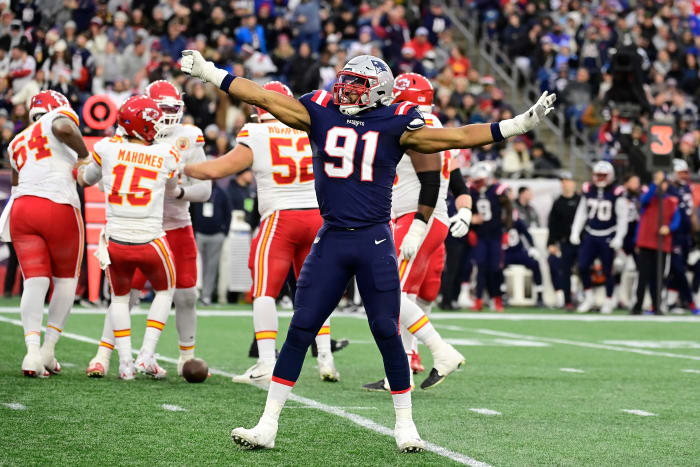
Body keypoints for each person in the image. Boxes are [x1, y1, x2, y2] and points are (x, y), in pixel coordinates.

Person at [180, 50, 555, 452]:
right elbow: (264, 97)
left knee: (386, 330)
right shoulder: (321, 110)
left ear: (378, 91)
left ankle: (406, 425)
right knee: (301, 328)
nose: (345, 88)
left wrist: (518, 124)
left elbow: (458, 137)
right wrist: (209, 72)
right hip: (332, 237)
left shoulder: (398, 122)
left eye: (357, 84)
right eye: (345, 80)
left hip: (374, 240)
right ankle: (267, 425)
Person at [185, 81, 341, 385]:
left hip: (281, 218)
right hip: (318, 217)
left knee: (264, 291)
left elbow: (218, 170)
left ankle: (267, 362)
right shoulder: (313, 127)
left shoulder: (257, 132)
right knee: (317, 292)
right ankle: (326, 359)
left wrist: (183, 167)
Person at [86, 81, 212, 378]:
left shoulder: (189, 136)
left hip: (176, 225)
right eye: (162, 109)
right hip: (137, 227)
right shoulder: (124, 137)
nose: (168, 116)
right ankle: (103, 355)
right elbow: (107, 181)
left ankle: (185, 356)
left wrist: (178, 194)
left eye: (173, 108)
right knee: (124, 294)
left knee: (186, 295)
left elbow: (204, 190)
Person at [362, 73, 471, 391]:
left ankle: (440, 351)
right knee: (403, 293)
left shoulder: (410, 125)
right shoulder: (437, 127)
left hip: (417, 217)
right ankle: (405, 366)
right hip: (432, 219)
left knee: (389, 292)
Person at [77, 95, 180, 380]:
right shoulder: (165, 153)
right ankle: (146, 354)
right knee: (165, 290)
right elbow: (172, 188)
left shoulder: (107, 148)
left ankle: (124, 364)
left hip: (116, 240)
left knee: (119, 299)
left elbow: (86, 178)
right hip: (150, 239)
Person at [4, 90, 88, 377]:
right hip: (57, 204)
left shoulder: (16, 140)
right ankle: (48, 349)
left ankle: (31, 353)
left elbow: (16, 184)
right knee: (65, 281)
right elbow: (64, 127)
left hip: (22, 208)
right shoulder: (58, 117)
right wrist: (84, 155)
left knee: (34, 281)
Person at [570, 161, 628, 314]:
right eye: (598, 175)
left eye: (603, 175)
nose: (600, 178)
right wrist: (575, 231)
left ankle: (608, 300)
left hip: (608, 234)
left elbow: (623, 217)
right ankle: (589, 298)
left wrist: (619, 237)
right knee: (582, 266)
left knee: (608, 270)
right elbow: (582, 212)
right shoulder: (588, 189)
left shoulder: (616, 192)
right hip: (591, 233)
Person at [632, 171, 679, 315]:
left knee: (657, 277)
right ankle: (638, 306)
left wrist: (669, 227)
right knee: (643, 276)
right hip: (646, 242)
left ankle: (656, 305)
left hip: (661, 244)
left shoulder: (672, 201)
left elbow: (677, 220)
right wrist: (655, 183)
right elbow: (644, 200)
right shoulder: (649, 199)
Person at [469, 162, 512, 312]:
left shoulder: (498, 191)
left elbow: (508, 210)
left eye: (479, 181)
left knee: (495, 268)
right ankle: (479, 299)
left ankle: (497, 299)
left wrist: (507, 230)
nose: (477, 184)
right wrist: (470, 225)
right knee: (480, 266)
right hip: (480, 235)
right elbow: (465, 210)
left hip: (495, 235)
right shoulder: (471, 192)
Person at [191, 182, 231, 306]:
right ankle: (193, 293)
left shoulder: (221, 193)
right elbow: (191, 211)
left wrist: (224, 232)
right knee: (193, 264)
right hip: (199, 234)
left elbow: (227, 213)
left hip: (216, 234)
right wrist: (193, 231)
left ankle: (206, 295)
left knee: (211, 267)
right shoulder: (197, 191)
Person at [667, 160, 698, 314]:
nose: (685, 176)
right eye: (681, 173)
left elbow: (690, 210)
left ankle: (671, 303)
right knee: (678, 269)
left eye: (686, 173)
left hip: (686, 234)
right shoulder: (669, 189)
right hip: (673, 234)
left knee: (679, 269)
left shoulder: (687, 188)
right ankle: (690, 301)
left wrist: (694, 225)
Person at [547, 172, 580, 309]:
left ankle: (583, 296)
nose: (565, 184)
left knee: (583, 268)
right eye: (563, 181)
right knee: (565, 271)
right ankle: (567, 301)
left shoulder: (580, 200)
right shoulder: (558, 202)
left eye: (567, 181)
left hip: (581, 241)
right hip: (565, 241)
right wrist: (551, 243)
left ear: (573, 183)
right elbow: (552, 225)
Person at [505, 211, 544, 305]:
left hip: (518, 251)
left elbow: (526, 234)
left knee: (535, 263)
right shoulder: (499, 219)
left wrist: (532, 247)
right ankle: (502, 294)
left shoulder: (517, 221)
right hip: (505, 252)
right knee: (497, 265)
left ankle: (539, 294)